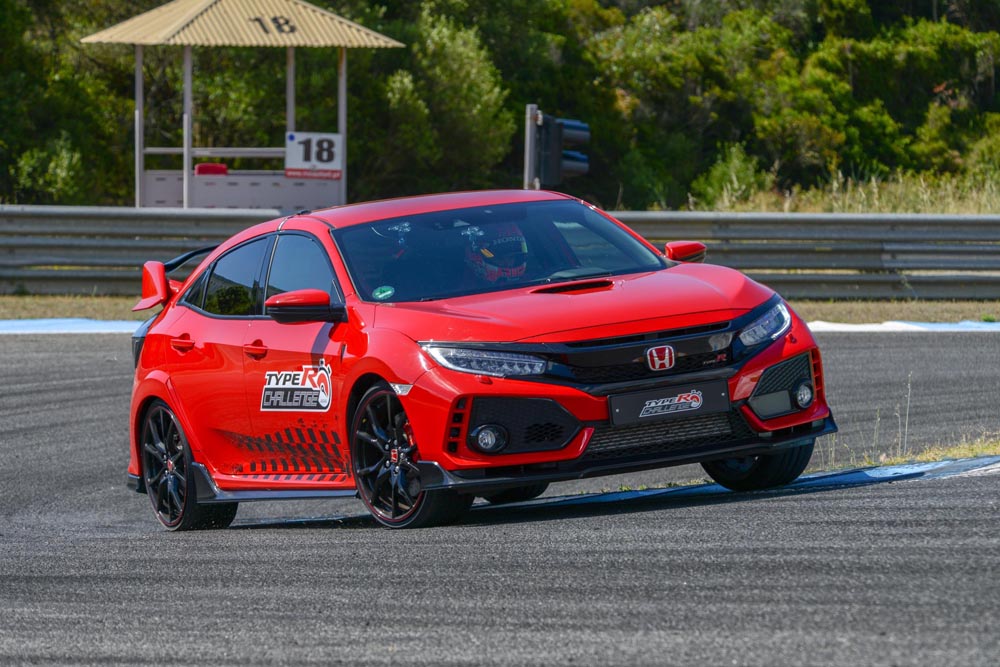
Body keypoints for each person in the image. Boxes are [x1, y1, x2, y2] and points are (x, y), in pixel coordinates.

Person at [464, 222, 528, 283]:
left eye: (512, 257)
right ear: (477, 257)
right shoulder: (463, 290)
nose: (508, 263)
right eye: (500, 259)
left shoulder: (532, 281)